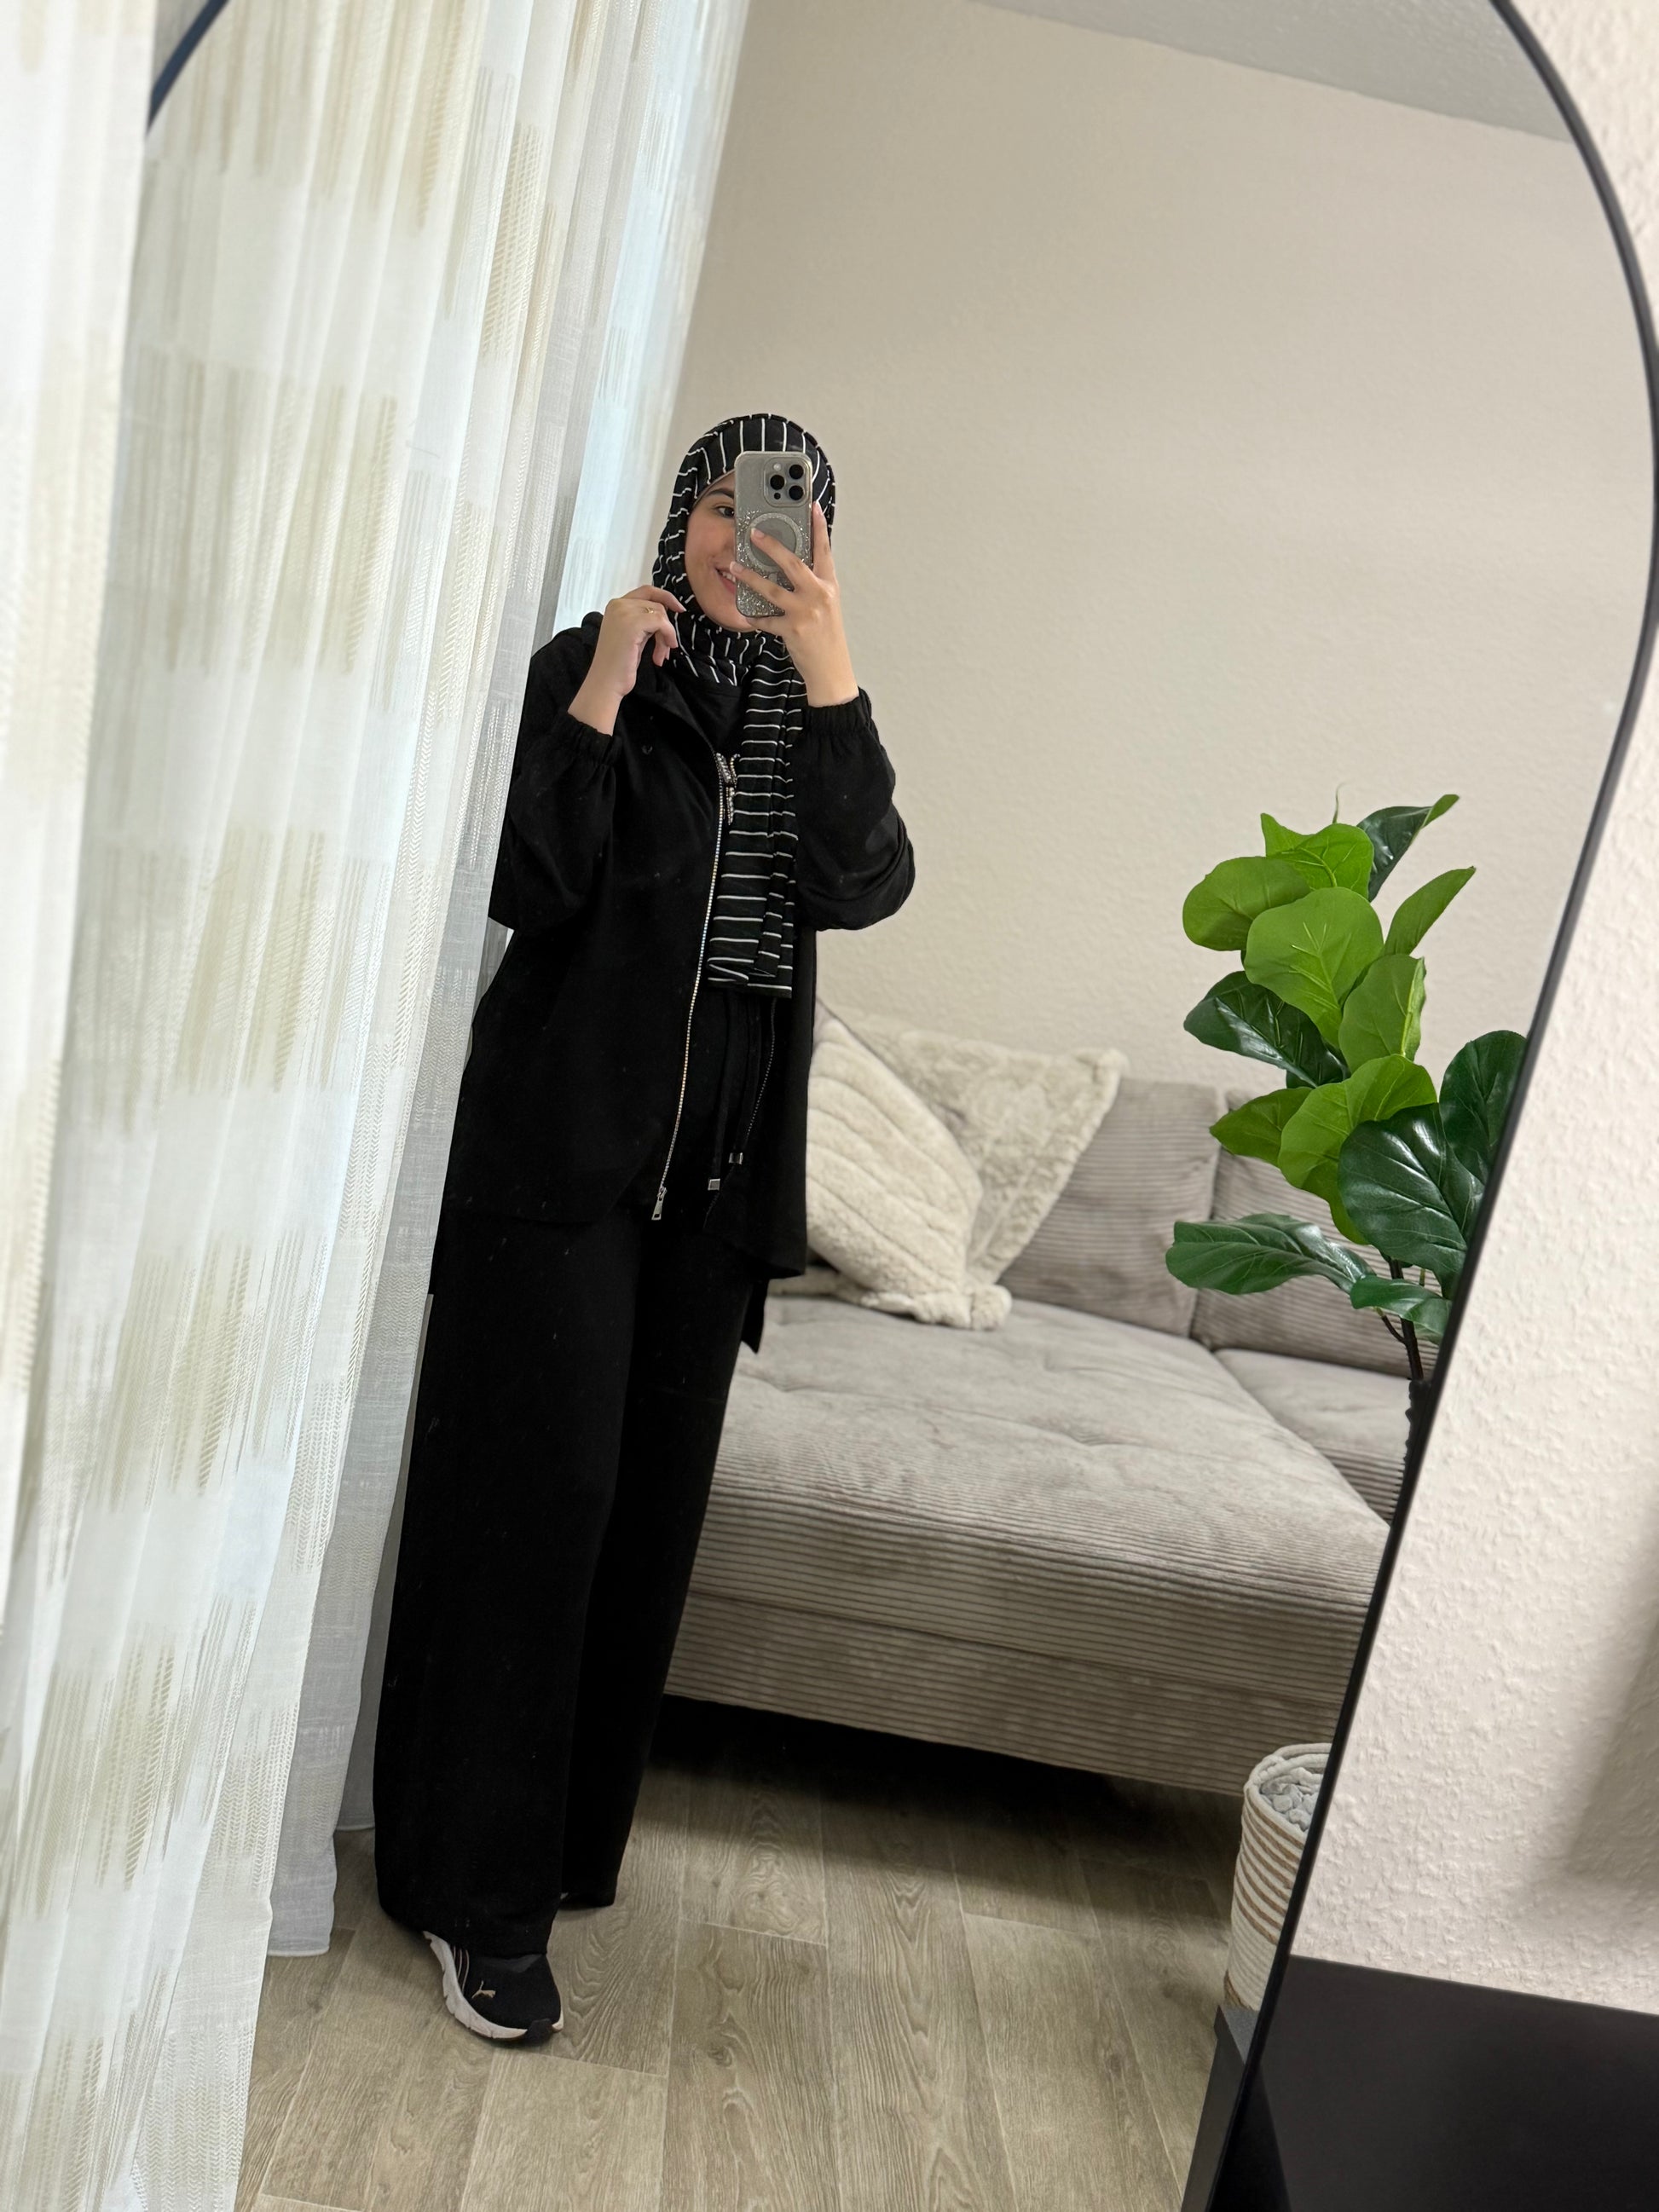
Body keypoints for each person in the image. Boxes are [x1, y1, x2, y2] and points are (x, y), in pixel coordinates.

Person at [371, 413, 914, 2044]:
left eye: (788, 513)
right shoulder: (598, 663)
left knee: (641, 1525)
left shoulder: (812, 703)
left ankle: (552, 1857)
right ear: (682, 517)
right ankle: (474, 1902)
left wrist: (830, 664)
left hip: (718, 1187)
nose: (752, 536)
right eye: (725, 504)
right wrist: (608, 677)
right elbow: (528, 882)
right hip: (558, 1165)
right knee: (527, 1515)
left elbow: (865, 882)